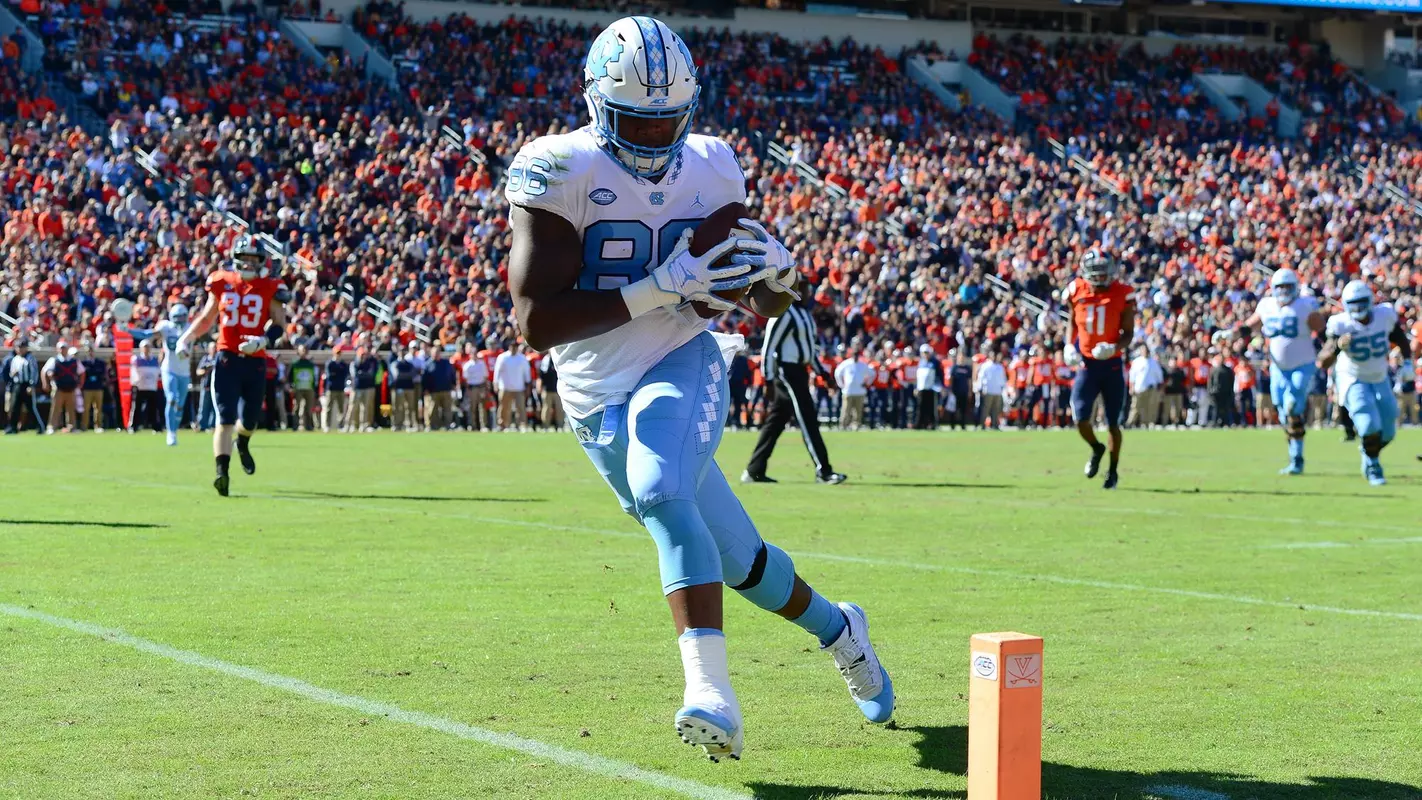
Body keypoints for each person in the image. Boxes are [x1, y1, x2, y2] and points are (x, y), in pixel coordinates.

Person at [503, 15, 892, 763]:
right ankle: (844, 632)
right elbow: (536, 322)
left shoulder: (712, 165)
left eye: (667, 123)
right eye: (636, 125)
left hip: (680, 358)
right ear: (596, 107)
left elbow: (755, 296)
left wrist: (776, 280)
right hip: (592, 393)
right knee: (743, 565)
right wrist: (658, 285)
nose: (654, 142)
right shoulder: (558, 169)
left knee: (659, 488)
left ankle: (711, 694)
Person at [176, 234, 288, 496]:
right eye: (244, 259)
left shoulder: (271, 286)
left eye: (253, 259)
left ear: (263, 261)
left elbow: (279, 323)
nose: (248, 264)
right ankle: (221, 473)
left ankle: (244, 443)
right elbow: (207, 316)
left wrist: (261, 341)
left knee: (249, 419)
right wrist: (187, 337)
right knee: (224, 419)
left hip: (255, 361)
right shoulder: (221, 281)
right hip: (226, 358)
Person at [1216, 268, 1324, 472]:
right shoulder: (1267, 306)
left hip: (1303, 364)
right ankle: (1295, 455)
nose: (1283, 291)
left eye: (1287, 286)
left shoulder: (1305, 305)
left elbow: (1322, 329)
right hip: (1278, 368)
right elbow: (1250, 326)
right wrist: (1231, 334)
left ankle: (1297, 458)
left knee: (1292, 406)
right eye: (1280, 287)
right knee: (1283, 413)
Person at [745, 289, 846, 484]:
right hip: (786, 371)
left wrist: (823, 374)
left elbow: (809, 350)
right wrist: (768, 380)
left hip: (800, 370)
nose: (808, 294)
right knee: (807, 418)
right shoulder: (784, 313)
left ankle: (754, 470)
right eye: (804, 289)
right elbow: (769, 347)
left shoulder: (805, 315)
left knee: (776, 422)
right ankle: (823, 470)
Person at [1317, 280, 1411, 486]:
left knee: (1388, 431)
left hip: (1379, 376)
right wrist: (1337, 347)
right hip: (1352, 377)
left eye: (1362, 302)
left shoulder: (1384, 316)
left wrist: (1409, 362)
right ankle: (1373, 465)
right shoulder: (1340, 324)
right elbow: (1322, 361)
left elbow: (1401, 339)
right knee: (1368, 423)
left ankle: (1368, 450)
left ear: (1370, 301)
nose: (1358, 308)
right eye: (1354, 303)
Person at [1064, 249, 1135, 489]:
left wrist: (1114, 347)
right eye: (1097, 272)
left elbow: (1129, 334)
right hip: (1087, 364)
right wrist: (1068, 345)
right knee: (1080, 417)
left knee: (1113, 423)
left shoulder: (1123, 294)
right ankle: (1096, 448)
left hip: (1112, 364)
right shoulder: (1076, 290)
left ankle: (1112, 472)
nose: (1101, 277)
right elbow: (1072, 320)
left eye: (1104, 272)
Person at [125, 303, 193, 445]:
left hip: (185, 372)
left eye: (182, 317)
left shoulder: (191, 327)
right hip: (169, 369)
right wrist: (128, 330)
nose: (180, 320)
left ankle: (175, 423)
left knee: (180, 405)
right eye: (177, 317)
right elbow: (146, 334)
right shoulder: (166, 327)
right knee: (171, 399)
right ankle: (171, 433)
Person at [41, 343, 83, 433]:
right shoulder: (54, 360)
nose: (62, 350)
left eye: (64, 348)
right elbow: (44, 371)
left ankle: (72, 427)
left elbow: (82, 371)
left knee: (71, 409)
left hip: (71, 388)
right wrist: (45, 383)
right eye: (60, 348)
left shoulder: (73, 360)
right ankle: (52, 427)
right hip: (58, 388)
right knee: (56, 408)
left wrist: (80, 384)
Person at [3, 340, 42, 434]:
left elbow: (34, 373)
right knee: (14, 407)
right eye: (18, 347)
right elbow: (11, 373)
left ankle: (40, 427)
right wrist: (13, 374)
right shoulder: (15, 358)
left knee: (31, 408)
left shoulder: (30, 358)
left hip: (27, 385)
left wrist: (31, 385)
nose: (20, 349)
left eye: (22, 347)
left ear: (26, 348)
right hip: (17, 385)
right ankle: (12, 427)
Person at [834, 344, 872, 430]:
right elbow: (837, 373)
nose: (855, 356)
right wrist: (841, 385)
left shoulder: (862, 364)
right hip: (848, 391)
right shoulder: (846, 363)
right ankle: (843, 425)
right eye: (854, 354)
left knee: (858, 411)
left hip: (860, 391)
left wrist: (867, 383)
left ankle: (856, 426)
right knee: (846, 410)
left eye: (857, 354)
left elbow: (872, 374)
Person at [493, 343, 529, 432]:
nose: (514, 349)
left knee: (520, 407)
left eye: (515, 347)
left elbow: (526, 372)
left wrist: (528, 384)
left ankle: (522, 425)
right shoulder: (502, 357)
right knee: (504, 407)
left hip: (519, 388)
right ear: (509, 347)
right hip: (505, 387)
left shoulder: (522, 358)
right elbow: (497, 371)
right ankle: (503, 425)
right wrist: (495, 383)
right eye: (512, 347)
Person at [129, 339, 163, 433]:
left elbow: (158, 373)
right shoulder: (137, 359)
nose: (146, 349)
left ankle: (156, 427)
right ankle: (133, 426)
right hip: (140, 387)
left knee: (153, 408)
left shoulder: (155, 361)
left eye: (148, 347)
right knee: (136, 407)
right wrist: (136, 383)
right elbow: (134, 373)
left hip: (152, 387)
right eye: (145, 347)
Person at [423, 347, 457, 430]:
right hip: (433, 391)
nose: (436, 354)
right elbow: (425, 378)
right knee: (432, 410)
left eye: (437, 353)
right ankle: (432, 426)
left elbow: (452, 374)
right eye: (434, 353)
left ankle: (447, 425)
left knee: (447, 409)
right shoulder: (428, 364)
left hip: (446, 390)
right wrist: (425, 389)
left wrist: (453, 384)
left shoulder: (446, 363)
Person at [389, 343, 420, 431]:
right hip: (399, 387)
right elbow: (396, 375)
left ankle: (409, 424)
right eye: (400, 351)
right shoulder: (395, 363)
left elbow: (413, 374)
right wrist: (407, 375)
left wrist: (404, 375)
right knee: (398, 407)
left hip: (409, 387)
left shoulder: (409, 364)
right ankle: (397, 424)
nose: (402, 353)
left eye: (403, 351)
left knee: (410, 407)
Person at [459, 342, 489, 431]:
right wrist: (468, 391)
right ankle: (472, 425)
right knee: (472, 408)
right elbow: (466, 380)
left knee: (482, 407)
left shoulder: (481, 363)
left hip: (481, 387)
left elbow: (485, 377)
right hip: (472, 388)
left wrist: (485, 388)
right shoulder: (467, 365)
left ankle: (483, 425)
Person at [975, 349, 1006, 429]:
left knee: (996, 409)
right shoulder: (985, 365)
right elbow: (981, 377)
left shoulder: (1000, 366)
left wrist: (1003, 388)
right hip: (988, 390)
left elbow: (1003, 379)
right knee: (985, 409)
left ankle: (995, 425)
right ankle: (982, 425)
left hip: (998, 391)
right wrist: (980, 387)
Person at [288, 345, 318, 431]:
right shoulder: (295, 363)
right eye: (302, 350)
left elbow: (313, 377)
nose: (303, 352)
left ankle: (308, 426)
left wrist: (314, 388)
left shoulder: (310, 364)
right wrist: (291, 386)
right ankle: (295, 425)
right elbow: (290, 376)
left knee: (308, 408)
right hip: (298, 388)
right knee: (296, 407)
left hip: (309, 388)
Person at [913, 344, 942, 430]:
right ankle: (920, 424)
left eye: (927, 352)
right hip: (921, 388)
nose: (925, 354)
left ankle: (932, 424)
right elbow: (917, 376)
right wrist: (916, 387)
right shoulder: (920, 362)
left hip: (932, 388)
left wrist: (940, 386)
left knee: (931, 408)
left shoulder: (935, 362)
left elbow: (939, 375)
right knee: (920, 407)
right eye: (924, 353)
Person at [322, 348, 350, 432]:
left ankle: (341, 426)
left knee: (341, 408)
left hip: (341, 388)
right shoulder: (330, 363)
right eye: (337, 353)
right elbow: (330, 375)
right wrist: (338, 373)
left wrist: (337, 373)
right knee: (328, 408)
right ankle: (327, 425)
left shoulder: (343, 364)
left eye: (339, 353)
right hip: (331, 389)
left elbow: (345, 374)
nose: (338, 355)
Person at [80, 344, 108, 432]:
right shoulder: (83, 363)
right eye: (88, 351)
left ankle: (98, 426)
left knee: (98, 408)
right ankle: (84, 426)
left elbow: (104, 375)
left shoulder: (100, 363)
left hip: (98, 388)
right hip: (87, 388)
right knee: (86, 408)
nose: (90, 353)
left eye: (91, 351)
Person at [195, 341, 218, 431]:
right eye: (212, 348)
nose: (214, 349)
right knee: (203, 407)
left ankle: (213, 426)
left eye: (215, 347)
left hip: (216, 387)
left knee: (214, 407)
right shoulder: (205, 359)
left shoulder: (218, 358)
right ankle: (202, 426)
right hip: (206, 386)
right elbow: (198, 371)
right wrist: (206, 370)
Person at [537, 351, 562, 430]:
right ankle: (545, 426)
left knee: (559, 408)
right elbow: (541, 375)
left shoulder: (559, 358)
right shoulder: (546, 360)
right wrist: (539, 386)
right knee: (546, 408)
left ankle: (560, 426)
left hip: (558, 389)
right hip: (547, 389)